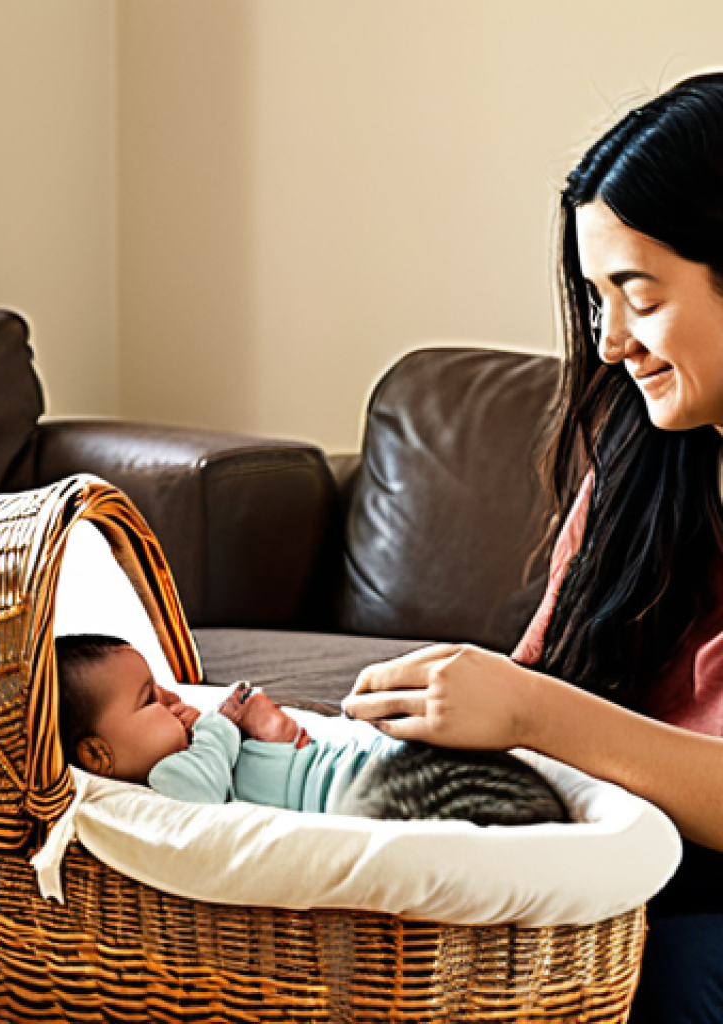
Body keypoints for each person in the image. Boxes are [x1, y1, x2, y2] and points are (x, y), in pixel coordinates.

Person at [341, 72, 723, 1023]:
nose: (611, 342)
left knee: (670, 975)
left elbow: (538, 704)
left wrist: (529, 709)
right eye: (597, 300)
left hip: (686, 909)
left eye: (639, 296)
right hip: (617, 864)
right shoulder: (639, 470)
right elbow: (544, 684)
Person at [55, 634, 567, 824]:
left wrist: (275, 733)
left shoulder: (206, 752)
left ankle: (514, 798)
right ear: (99, 756)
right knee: (396, 801)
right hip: (355, 793)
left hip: (362, 766)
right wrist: (221, 725)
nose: (172, 699)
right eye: (149, 699)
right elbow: (194, 799)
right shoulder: (170, 783)